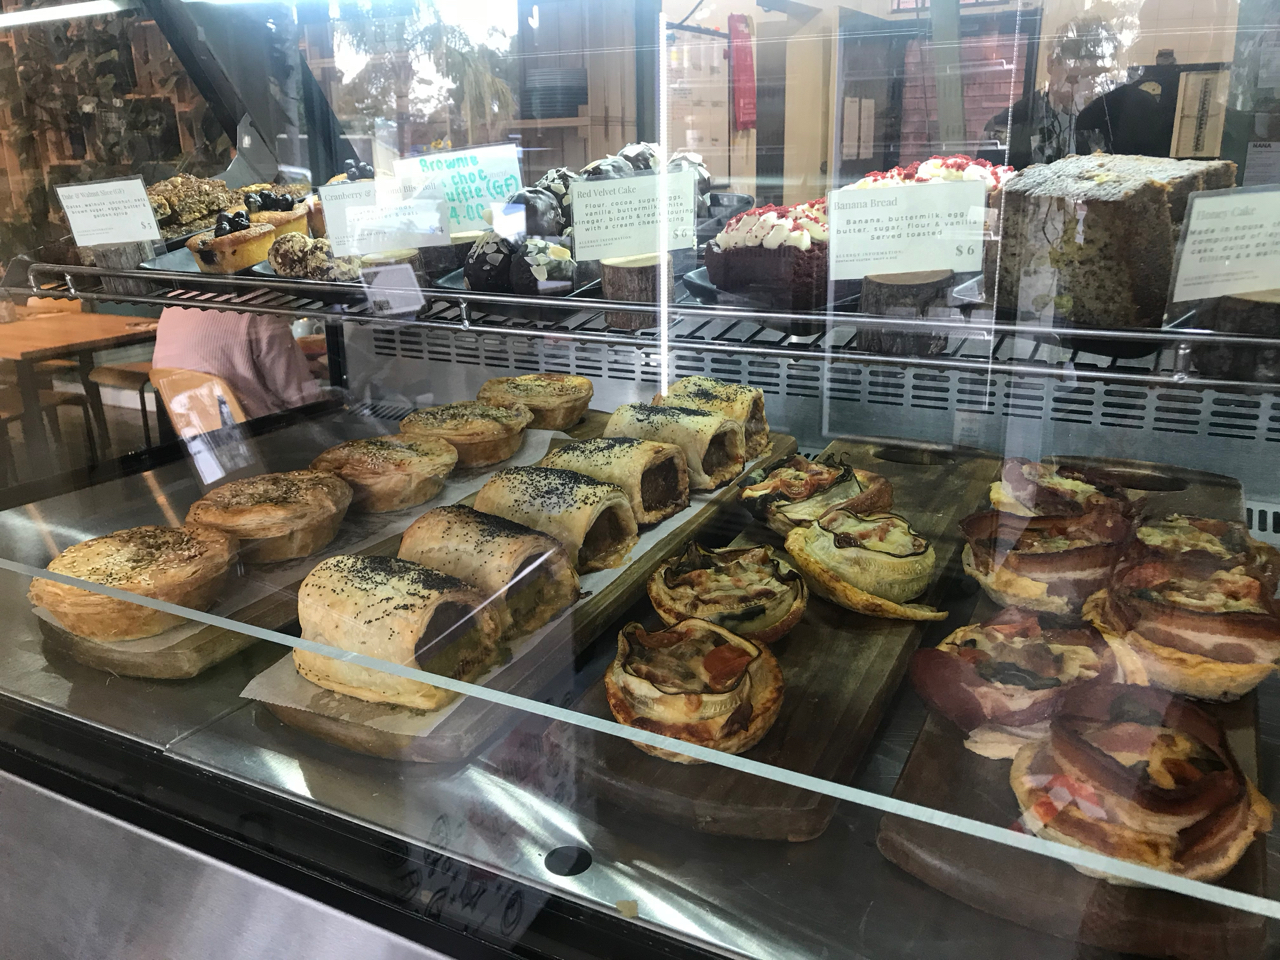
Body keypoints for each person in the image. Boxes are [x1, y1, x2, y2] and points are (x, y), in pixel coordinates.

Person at [151, 307, 321, 419]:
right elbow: (304, 401)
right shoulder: (259, 308)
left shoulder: (172, 305)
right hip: (260, 443)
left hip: (192, 443)